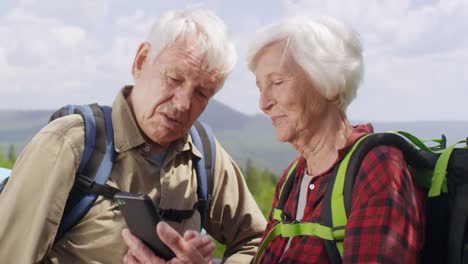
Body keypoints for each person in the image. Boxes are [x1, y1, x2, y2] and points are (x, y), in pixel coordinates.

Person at [0, 8, 266, 263]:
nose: (184, 103)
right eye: (174, 78)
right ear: (140, 61)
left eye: (202, 93)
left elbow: (257, 241)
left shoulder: (205, 155)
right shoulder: (69, 144)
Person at [246, 16, 425, 263]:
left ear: (327, 82)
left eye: (277, 82)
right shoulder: (291, 178)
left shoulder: (378, 167)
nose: (263, 103)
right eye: (260, 87)